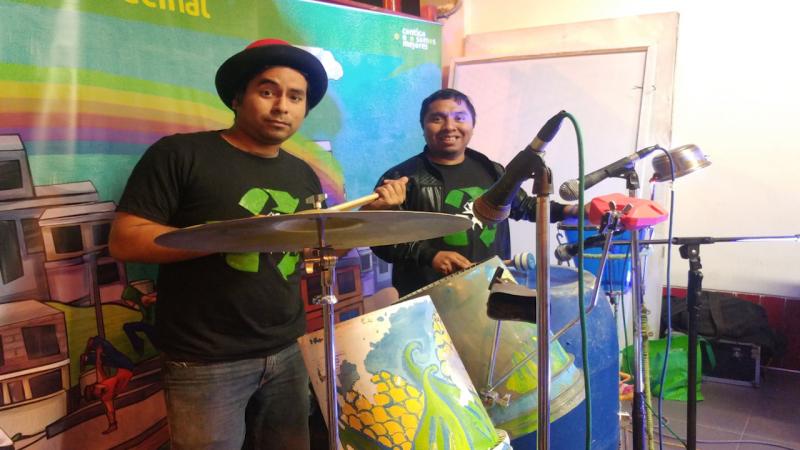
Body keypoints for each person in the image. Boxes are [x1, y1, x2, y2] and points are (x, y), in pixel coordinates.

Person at [109, 38, 406, 450]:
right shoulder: (180, 154)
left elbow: (310, 254)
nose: (282, 106)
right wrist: (232, 236)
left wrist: (373, 218)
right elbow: (125, 241)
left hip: (287, 349)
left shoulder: (301, 173)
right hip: (205, 358)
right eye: (268, 92)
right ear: (237, 98)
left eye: (295, 97)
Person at [371, 88, 581, 296]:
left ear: (472, 125)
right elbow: (380, 242)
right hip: (428, 298)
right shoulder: (401, 178)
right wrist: (429, 256)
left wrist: (574, 211)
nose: (449, 126)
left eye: (459, 118)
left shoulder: (491, 169)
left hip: (490, 289)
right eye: (437, 119)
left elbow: (524, 207)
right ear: (423, 126)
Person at [80, 336, 135, 434]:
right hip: (127, 366)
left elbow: (98, 365)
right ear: (96, 395)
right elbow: (110, 412)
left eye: (92, 386)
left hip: (120, 366)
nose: (94, 385)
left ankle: (87, 357)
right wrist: (112, 425)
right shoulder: (106, 398)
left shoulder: (100, 383)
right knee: (102, 345)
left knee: (96, 354)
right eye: (93, 388)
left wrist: (98, 353)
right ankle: (93, 347)